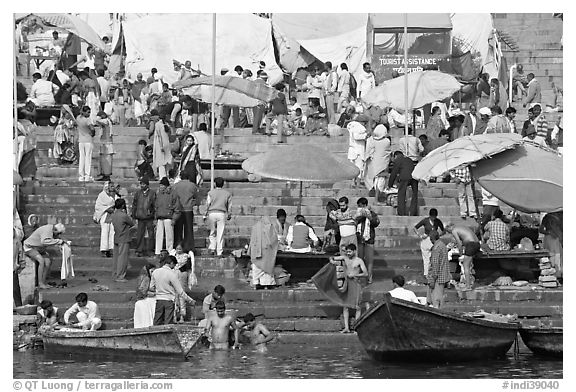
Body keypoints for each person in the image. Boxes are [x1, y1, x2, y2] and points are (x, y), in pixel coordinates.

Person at [330, 244, 368, 333]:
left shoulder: (359, 261)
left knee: (357, 306)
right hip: (347, 284)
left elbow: (365, 274)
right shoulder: (344, 258)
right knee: (345, 306)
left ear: (354, 251)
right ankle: (346, 328)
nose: (348, 253)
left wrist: (355, 274)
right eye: (347, 251)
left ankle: (356, 327)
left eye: (350, 251)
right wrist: (332, 261)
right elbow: (332, 258)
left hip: (356, 283)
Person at [149, 255, 195, 325]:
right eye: (174, 265)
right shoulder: (172, 274)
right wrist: (190, 300)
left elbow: (151, 287)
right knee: (168, 323)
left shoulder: (155, 272)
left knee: (157, 321)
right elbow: (180, 291)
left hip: (159, 300)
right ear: (171, 263)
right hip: (169, 300)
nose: (174, 267)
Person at [23, 223, 66, 289]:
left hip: (39, 248)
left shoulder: (52, 230)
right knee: (41, 261)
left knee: (48, 262)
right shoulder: (47, 230)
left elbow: (56, 239)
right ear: (55, 230)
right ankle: (40, 283)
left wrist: (62, 243)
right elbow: (44, 241)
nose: (58, 235)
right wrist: (58, 241)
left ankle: (43, 282)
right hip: (29, 247)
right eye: (58, 233)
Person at [445, 224, 480, 290]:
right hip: (477, 244)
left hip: (471, 245)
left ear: (449, 228)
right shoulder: (462, 226)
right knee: (468, 264)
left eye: (448, 232)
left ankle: (468, 286)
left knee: (465, 265)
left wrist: (460, 254)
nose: (450, 233)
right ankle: (468, 283)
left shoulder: (454, 230)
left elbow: (459, 243)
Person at [204, 177, 232, 257]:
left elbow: (207, 204)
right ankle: (219, 251)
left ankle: (212, 248)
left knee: (212, 231)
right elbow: (229, 205)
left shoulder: (211, 193)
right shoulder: (227, 194)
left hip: (212, 213)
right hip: (221, 213)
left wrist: (205, 213)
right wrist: (229, 214)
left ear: (215, 184)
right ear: (223, 184)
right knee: (220, 233)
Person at [363, 124, 392, 204]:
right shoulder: (386, 141)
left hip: (373, 163)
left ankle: (376, 197)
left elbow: (368, 151)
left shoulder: (371, 140)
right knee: (380, 181)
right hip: (382, 164)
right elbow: (387, 153)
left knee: (376, 180)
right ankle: (376, 199)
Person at [413, 208, 445, 280]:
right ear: (430, 216)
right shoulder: (425, 220)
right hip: (426, 239)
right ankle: (426, 274)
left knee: (434, 257)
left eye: (435, 217)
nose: (434, 218)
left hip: (434, 241)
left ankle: (434, 273)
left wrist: (438, 235)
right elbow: (415, 228)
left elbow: (443, 231)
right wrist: (420, 235)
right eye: (432, 217)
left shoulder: (438, 221)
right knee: (426, 258)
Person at [172, 171, 199, 252]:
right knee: (188, 229)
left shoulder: (176, 186)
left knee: (178, 229)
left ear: (180, 176)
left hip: (178, 209)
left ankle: (178, 245)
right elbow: (196, 196)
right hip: (188, 209)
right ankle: (189, 247)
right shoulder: (192, 185)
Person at [248, 216, 278, 289]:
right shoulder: (269, 226)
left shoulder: (255, 227)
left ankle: (256, 283)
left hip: (256, 252)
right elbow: (273, 240)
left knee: (256, 268)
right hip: (267, 252)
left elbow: (252, 241)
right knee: (267, 270)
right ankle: (266, 284)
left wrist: (250, 250)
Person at [355, 198, 379, 284]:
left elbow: (376, 223)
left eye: (361, 206)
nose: (360, 208)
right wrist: (358, 217)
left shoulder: (372, 214)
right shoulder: (358, 215)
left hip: (369, 240)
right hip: (360, 239)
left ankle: (369, 278)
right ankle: (360, 278)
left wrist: (369, 217)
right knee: (359, 259)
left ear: (364, 206)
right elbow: (354, 223)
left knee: (369, 261)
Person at [110, 198, 134, 282]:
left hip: (116, 237)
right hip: (124, 238)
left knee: (116, 258)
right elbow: (132, 223)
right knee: (122, 258)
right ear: (123, 205)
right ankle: (120, 276)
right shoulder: (124, 215)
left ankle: (115, 274)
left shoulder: (114, 215)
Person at [388, 151, 418, 216]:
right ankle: (413, 212)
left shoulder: (398, 160)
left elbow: (394, 173)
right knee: (414, 195)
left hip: (405, 177)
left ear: (395, 156)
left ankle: (401, 213)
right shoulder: (408, 159)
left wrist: (389, 185)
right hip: (415, 177)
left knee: (401, 194)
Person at [132, 177, 156, 257]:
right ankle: (139, 250)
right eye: (141, 184)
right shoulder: (138, 193)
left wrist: (154, 216)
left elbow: (155, 205)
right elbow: (134, 205)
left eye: (143, 184)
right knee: (140, 234)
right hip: (140, 217)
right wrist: (133, 215)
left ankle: (150, 250)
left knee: (150, 235)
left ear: (147, 185)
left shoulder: (152, 193)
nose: (142, 185)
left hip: (149, 217)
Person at [427, 230, 451, 308]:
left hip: (437, 278)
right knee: (440, 299)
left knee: (436, 301)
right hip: (443, 276)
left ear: (431, 239)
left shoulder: (436, 248)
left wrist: (432, 280)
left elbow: (435, 265)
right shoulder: (442, 245)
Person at [93, 181, 117, 258]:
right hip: (104, 215)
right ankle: (104, 249)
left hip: (113, 215)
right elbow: (98, 206)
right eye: (111, 186)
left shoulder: (116, 195)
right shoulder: (101, 195)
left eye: (113, 186)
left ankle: (112, 249)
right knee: (104, 232)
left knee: (112, 232)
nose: (112, 188)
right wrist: (107, 209)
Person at [148, 109, 173, 179]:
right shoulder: (166, 124)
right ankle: (167, 175)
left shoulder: (158, 124)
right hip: (167, 144)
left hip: (160, 145)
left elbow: (159, 136)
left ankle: (163, 177)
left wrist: (161, 146)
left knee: (161, 161)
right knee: (167, 160)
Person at [155, 177, 176, 255]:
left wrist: (174, 218)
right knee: (158, 235)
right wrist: (155, 217)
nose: (160, 187)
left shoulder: (173, 194)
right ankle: (158, 251)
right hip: (160, 217)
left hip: (169, 217)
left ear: (166, 186)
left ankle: (169, 251)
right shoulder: (158, 194)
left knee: (169, 236)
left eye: (162, 185)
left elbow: (176, 207)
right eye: (160, 185)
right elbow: (156, 206)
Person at [133, 263, 157, 328]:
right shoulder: (146, 278)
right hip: (144, 298)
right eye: (151, 271)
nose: (153, 273)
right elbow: (142, 291)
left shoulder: (151, 278)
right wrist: (153, 293)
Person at [539, 212, 562, 279]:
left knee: (558, 257)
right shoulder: (547, 217)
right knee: (550, 257)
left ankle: (558, 275)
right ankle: (551, 276)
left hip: (557, 239)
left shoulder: (560, 215)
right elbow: (541, 229)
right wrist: (549, 232)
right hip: (550, 239)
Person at [76, 106, 95, 182]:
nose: (89, 114)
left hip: (81, 140)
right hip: (88, 140)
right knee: (88, 158)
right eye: (88, 112)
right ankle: (87, 175)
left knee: (82, 158)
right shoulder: (87, 120)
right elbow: (92, 128)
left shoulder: (78, 118)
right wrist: (93, 133)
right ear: (84, 112)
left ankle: (81, 176)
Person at [346, 120, 367, 187]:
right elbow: (356, 136)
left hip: (352, 150)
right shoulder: (359, 127)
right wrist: (366, 135)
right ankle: (357, 183)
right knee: (359, 167)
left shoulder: (351, 127)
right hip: (358, 150)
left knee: (353, 167)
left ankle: (353, 182)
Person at [94, 111, 114, 182]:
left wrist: (98, 118)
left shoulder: (106, 121)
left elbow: (98, 121)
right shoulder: (105, 121)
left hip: (107, 144)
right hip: (103, 143)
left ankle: (107, 176)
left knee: (107, 161)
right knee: (103, 161)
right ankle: (103, 175)